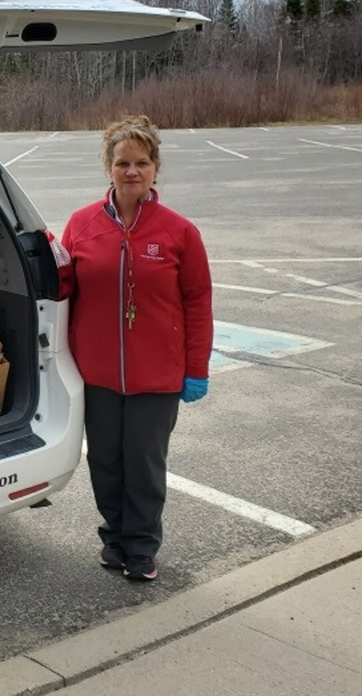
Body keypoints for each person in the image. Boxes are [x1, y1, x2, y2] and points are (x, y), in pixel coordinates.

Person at [56, 115, 213, 582]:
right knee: (104, 460)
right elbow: (66, 291)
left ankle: (142, 548)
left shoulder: (179, 232)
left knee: (144, 464)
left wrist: (195, 367)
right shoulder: (82, 225)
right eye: (123, 162)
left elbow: (198, 302)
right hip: (97, 373)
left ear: (155, 168)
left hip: (157, 376)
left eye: (142, 163)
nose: (132, 171)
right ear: (108, 167)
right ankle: (114, 540)